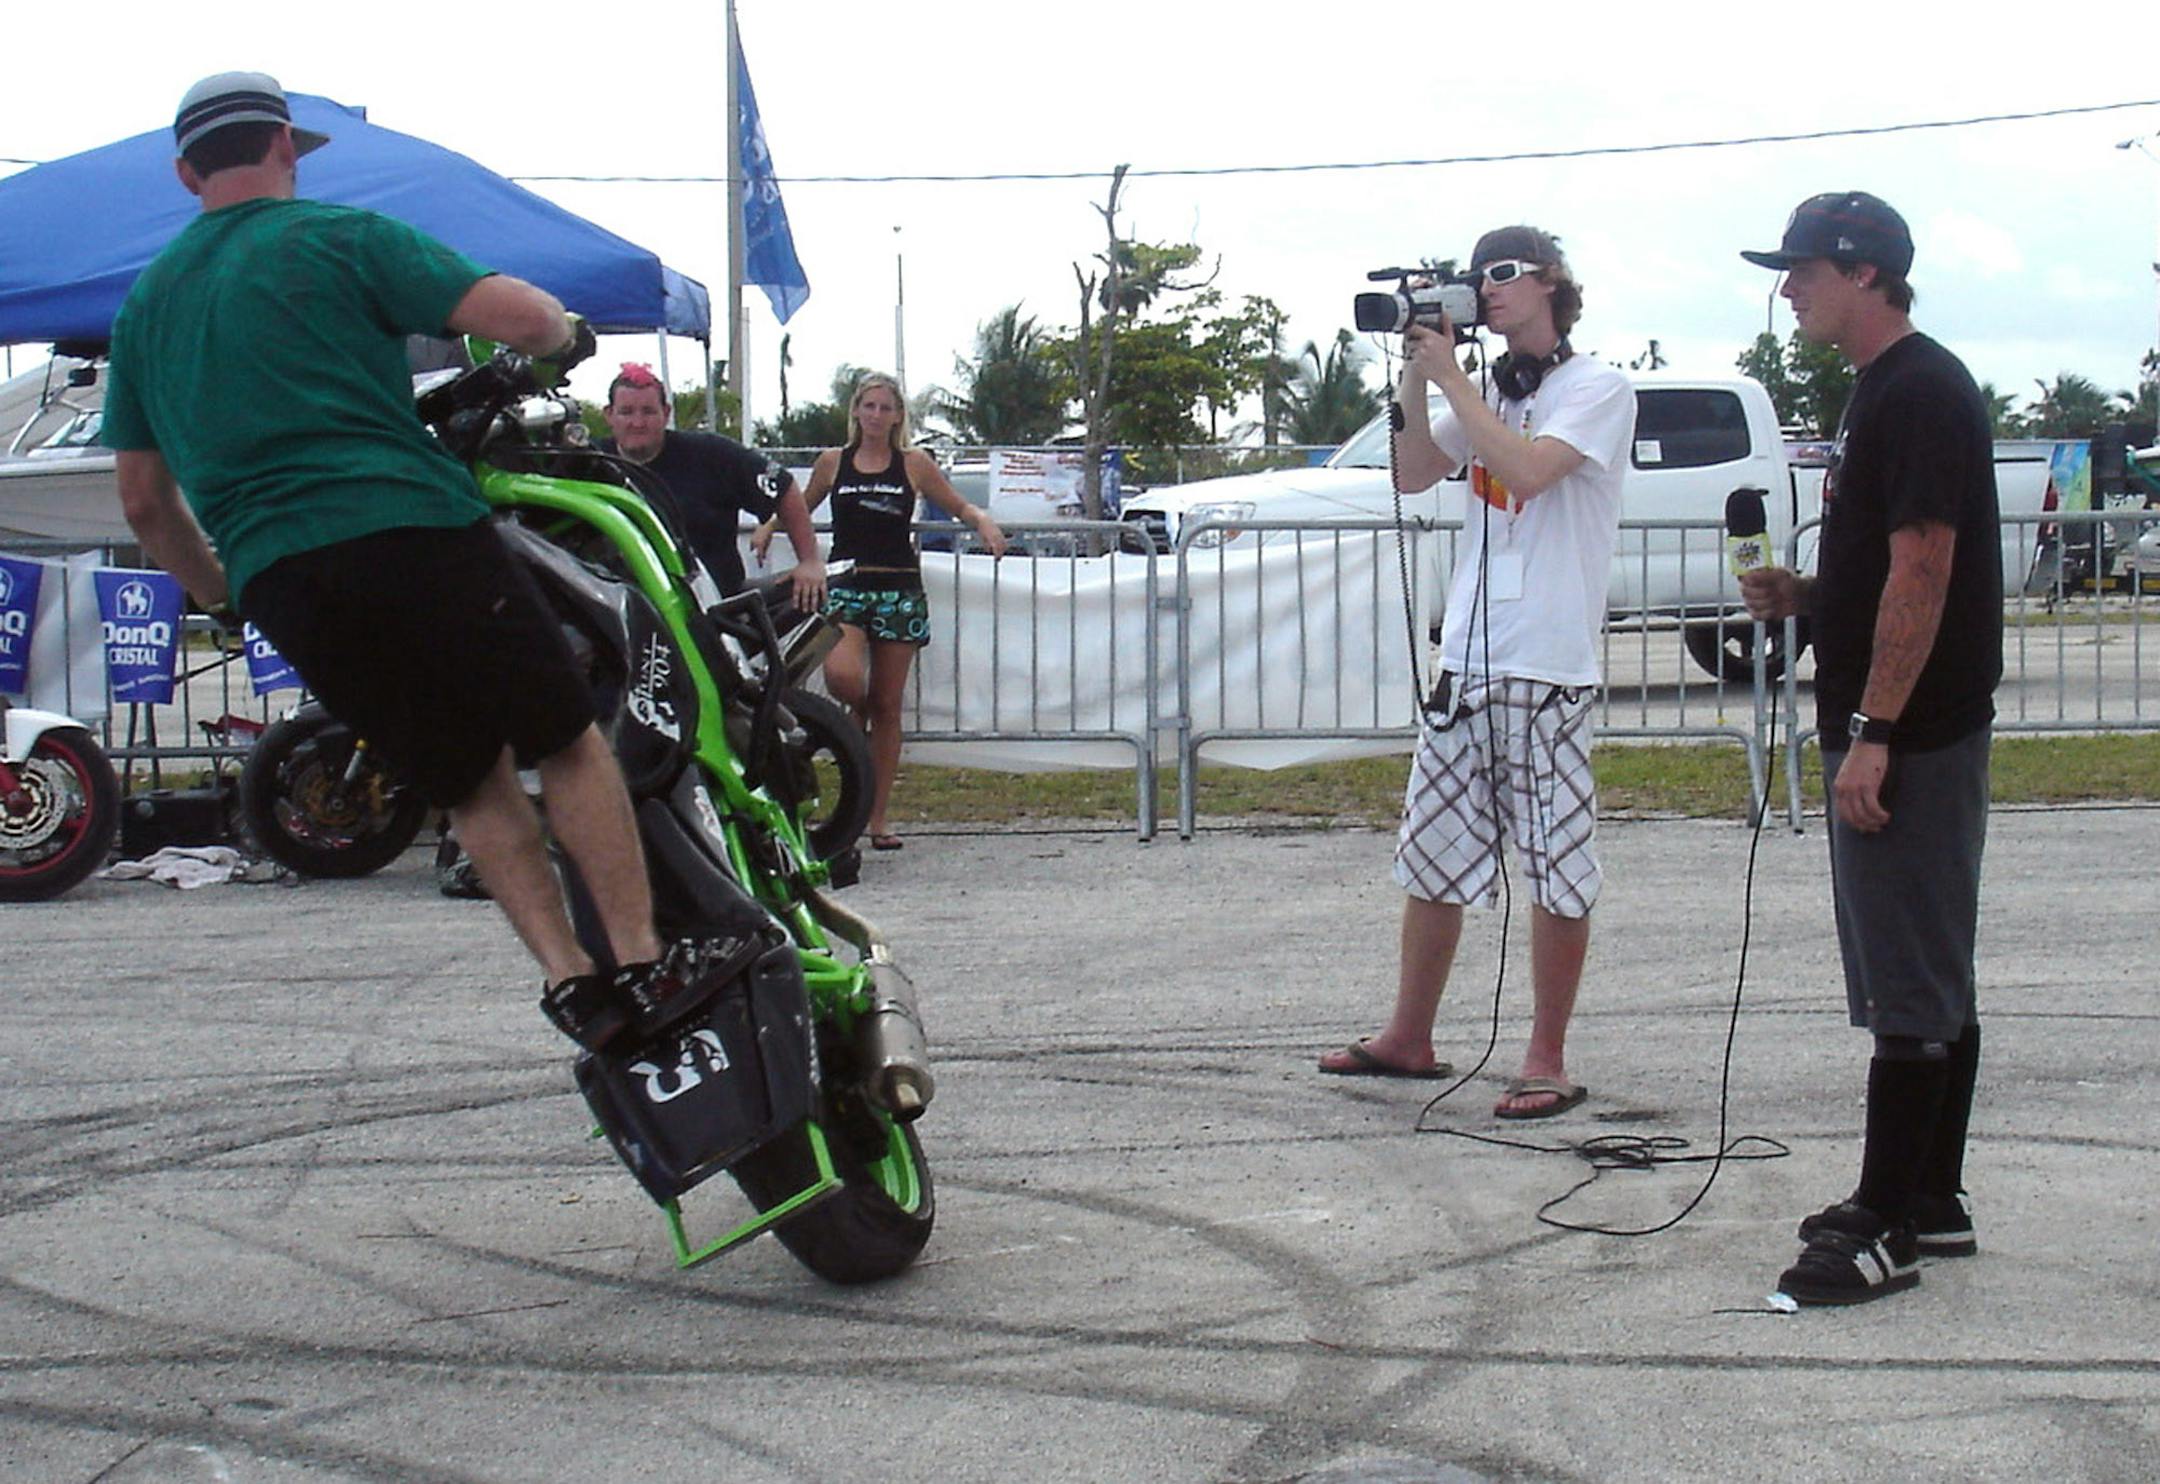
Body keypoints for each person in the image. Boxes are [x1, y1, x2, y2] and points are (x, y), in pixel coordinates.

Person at [103, 71, 677, 1055]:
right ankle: (637, 956)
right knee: (564, 736)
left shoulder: (145, 309)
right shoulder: (343, 237)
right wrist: (566, 329)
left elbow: (144, 503)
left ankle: (572, 983)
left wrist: (224, 593)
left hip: (282, 571)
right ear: (286, 144)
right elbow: (525, 322)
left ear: (184, 171)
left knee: (467, 783)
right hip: (408, 523)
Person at [1739, 192, 2001, 1306]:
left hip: (1916, 729)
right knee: (1927, 962)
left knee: (1909, 978)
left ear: (1863, 270)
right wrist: (1804, 592)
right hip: (1897, 718)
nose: (1788, 288)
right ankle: (1930, 1196)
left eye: (1801, 268)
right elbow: (1881, 564)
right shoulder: (1878, 391)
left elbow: (1926, 567)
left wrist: (1874, 732)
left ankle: (1886, 1218)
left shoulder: (1923, 390)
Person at [1317, 227, 1635, 1120]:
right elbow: (1415, 471)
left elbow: (1530, 472)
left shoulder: (1597, 388)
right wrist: (1423, 368)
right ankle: (1408, 1034)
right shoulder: (1486, 386)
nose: (1487, 291)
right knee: (1432, 858)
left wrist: (1457, 379)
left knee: (1554, 864)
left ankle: (1546, 1055)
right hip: (1468, 658)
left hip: (1548, 662)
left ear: (1551, 285)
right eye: (1477, 277)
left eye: (1503, 275)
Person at [754, 372, 1007, 851]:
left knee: (887, 707)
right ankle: (855, 738)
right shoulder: (833, 462)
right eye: (867, 406)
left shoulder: (914, 464)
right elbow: (798, 508)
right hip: (847, 586)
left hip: (898, 590)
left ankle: (874, 816)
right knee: (844, 680)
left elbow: (956, 505)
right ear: (856, 411)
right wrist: (768, 528)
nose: (875, 415)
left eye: (884, 408)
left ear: (897, 416)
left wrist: (983, 520)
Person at [597, 362, 825, 608]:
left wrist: (810, 561)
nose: (638, 422)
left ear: (666, 413)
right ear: (609, 414)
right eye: (627, 412)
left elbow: (782, 486)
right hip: (614, 609)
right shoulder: (584, 463)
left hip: (713, 612)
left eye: (648, 411)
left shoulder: (711, 454)